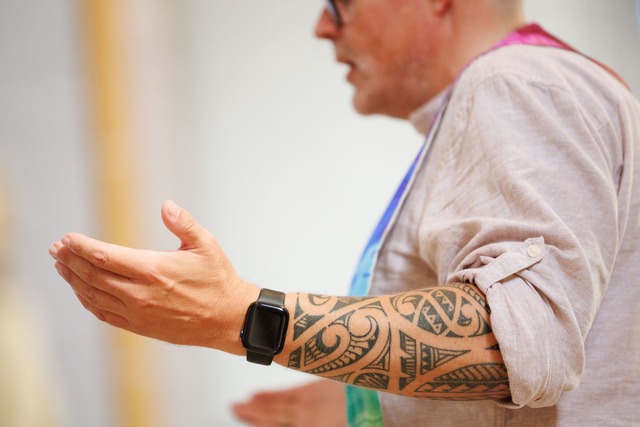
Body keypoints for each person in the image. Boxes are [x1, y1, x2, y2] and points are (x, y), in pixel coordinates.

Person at [49, 0, 640, 425]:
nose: (321, 26)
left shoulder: (515, 82)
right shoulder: (538, 85)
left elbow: (514, 340)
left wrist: (243, 316)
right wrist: (372, 407)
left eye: (341, 1)